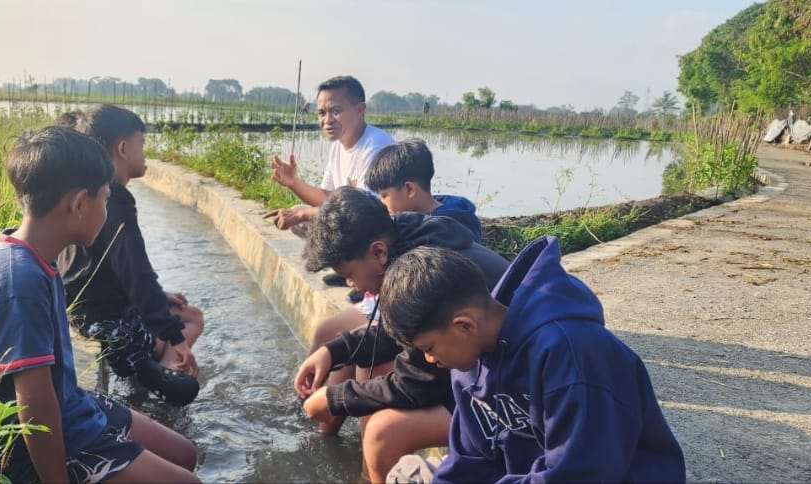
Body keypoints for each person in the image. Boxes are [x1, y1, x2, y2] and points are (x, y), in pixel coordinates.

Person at [0, 126, 199, 483]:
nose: (108, 208)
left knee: (183, 454)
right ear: (80, 203)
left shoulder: (38, 255)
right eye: (105, 197)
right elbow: (33, 410)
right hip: (20, 446)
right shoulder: (16, 282)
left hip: (69, 402)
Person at [381, 239, 686, 483]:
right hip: (529, 474)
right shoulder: (468, 367)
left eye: (429, 347)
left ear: (464, 326)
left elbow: (580, 473)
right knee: (406, 475)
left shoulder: (571, 352)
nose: (430, 359)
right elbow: (469, 462)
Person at [293, 187, 509, 483]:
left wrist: (336, 398)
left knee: (384, 434)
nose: (348, 282)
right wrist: (332, 352)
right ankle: (362, 471)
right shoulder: (406, 237)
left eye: (348, 272)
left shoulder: (424, 271)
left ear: (378, 251)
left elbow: (418, 385)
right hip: (475, 364)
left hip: (504, 388)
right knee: (365, 363)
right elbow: (398, 332)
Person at [55, 106, 205, 407]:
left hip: (83, 311)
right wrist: (175, 339)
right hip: (107, 319)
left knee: (189, 314)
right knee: (186, 328)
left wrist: (160, 296)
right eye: (142, 145)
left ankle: (149, 374)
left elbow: (110, 267)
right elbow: (137, 274)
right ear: (123, 148)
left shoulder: (85, 194)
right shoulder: (116, 201)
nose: (145, 153)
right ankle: (158, 388)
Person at [263, 75, 394, 236]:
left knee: (304, 215)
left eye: (336, 111)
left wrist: (304, 214)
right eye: (321, 113)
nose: (327, 120)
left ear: (360, 110)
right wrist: (293, 183)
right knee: (299, 215)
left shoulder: (375, 145)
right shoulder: (338, 146)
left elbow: (363, 213)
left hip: (378, 229)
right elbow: (326, 198)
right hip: (355, 222)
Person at [363, 138, 482, 243]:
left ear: (410, 190)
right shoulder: (456, 212)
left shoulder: (440, 232)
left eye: (384, 196)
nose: (381, 203)